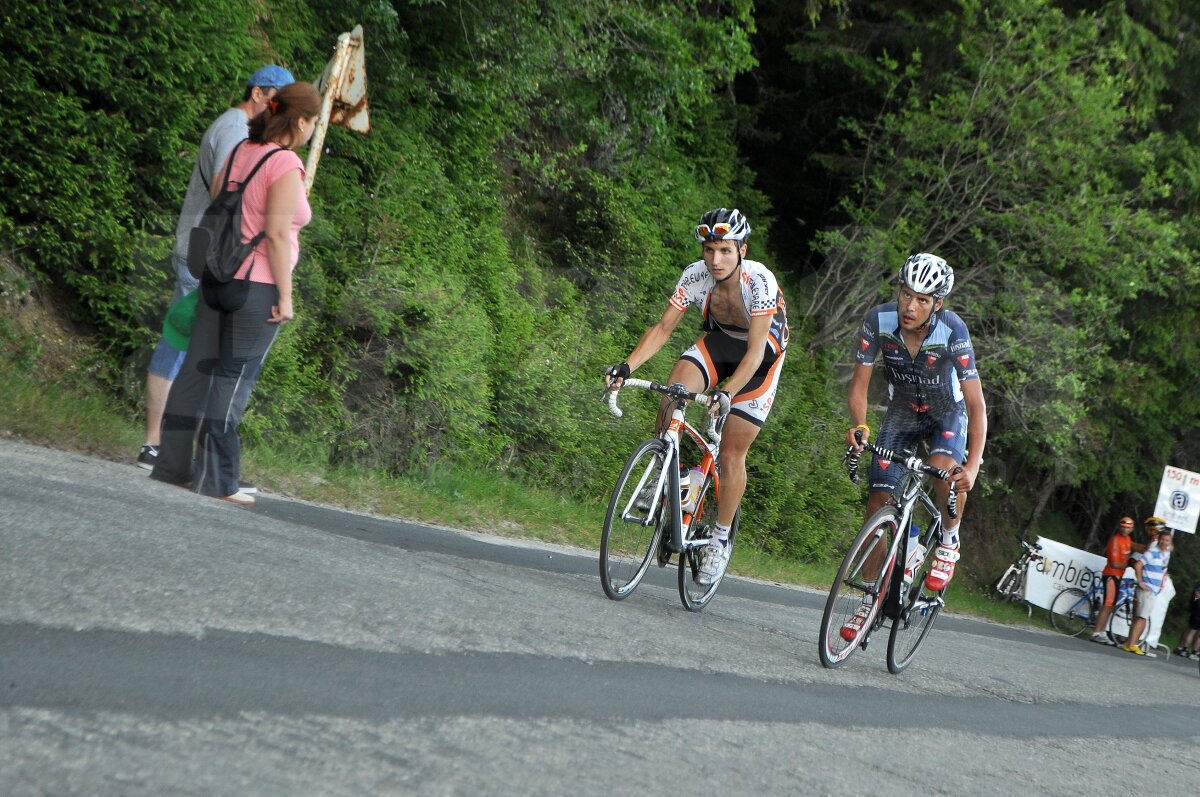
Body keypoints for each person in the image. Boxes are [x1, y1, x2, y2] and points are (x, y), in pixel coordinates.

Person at [150, 82, 322, 506]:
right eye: (313, 122)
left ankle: (172, 465)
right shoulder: (285, 163)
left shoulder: (242, 150)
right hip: (256, 285)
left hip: (216, 275)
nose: (312, 130)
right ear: (301, 121)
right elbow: (276, 234)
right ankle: (218, 479)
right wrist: (286, 296)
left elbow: (221, 199)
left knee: (195, 372)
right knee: (233, 379)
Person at [604, 208, 788, 586]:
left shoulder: (759, 280)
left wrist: (727, 392)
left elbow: (755, 351)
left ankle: (720, 539)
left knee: (732, 453)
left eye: (725, 250)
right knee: (673, 393)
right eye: (709, 250)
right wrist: (626, 366)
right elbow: (663, 328)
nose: (715, 260)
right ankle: (665, 475)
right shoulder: (695, 275)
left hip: (761, 358)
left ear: (742, 250)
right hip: (720, 344)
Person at [842, 253, 987, 639]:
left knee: (943, 467)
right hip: (903, 413)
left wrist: (972, 466)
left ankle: (949, 541)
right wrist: (860, 425)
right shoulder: (878, 321)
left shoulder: (953, 330)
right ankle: (869, 599)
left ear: (937, 303)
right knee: (878, 501)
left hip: (947, 414)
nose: (910, 306)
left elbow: (976, 405)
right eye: (906, 294)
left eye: (922, 300)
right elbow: (859, 385)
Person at [1123, 518, 1172, 656]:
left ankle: (1130, 643)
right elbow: (1139, 564)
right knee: (1142, 617)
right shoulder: (1153, 550)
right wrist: (1140, 581)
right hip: (1147, 587)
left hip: (1153, 589)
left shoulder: (1165, 552)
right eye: (1162, 540)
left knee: (1140, 617)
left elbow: (1165, 560)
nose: (1164, 542)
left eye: (1167, 541)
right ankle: (1131, 644)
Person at [1089, 516, 1137, 645]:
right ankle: (1096, 633)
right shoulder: (1115, 540)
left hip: (1118, 576)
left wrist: (1153, 542)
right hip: (1111, 574)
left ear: (1132, 529)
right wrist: (1130, 564)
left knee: (1111, 605)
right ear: (1119, 527)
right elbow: (1114, 563)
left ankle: (1102, 632)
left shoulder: (1127, 539)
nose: (1125, 530)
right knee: (1108, 604)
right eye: (1123, 527)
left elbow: (1137, 547)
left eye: (1128, 528)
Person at [1173, 583, 1200, 660]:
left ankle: (1184, 649)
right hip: (1197, 611)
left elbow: (1194, 599)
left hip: (1195, 611)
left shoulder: (1198, 587)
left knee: (1192, 631)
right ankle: (1194, 652)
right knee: (1195, 632)